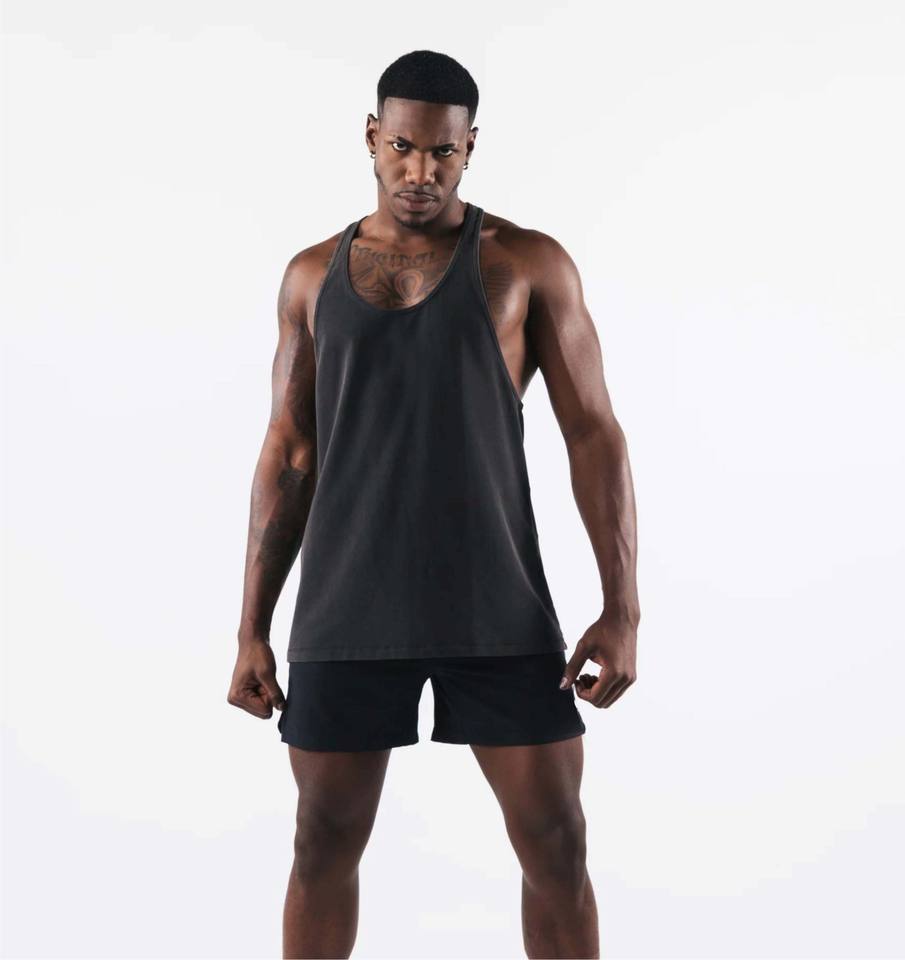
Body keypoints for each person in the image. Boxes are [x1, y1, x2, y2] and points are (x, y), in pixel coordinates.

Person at [227, 49, 640, 960]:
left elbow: (594, 436)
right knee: (321, 843)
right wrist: (252, 627)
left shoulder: (526, 264)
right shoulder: (310, 276)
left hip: (495, 605)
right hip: (346, 605)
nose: (421, 171)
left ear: (470, 148)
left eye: (443, 152)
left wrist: (623, 609)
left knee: (557, 844)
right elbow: (289, 452)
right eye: (404, 148)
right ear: (372, 138)